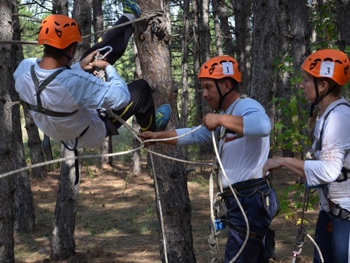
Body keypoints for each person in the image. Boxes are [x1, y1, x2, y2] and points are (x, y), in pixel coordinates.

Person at [140, 55, 279, 263]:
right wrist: (156, 137)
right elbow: (194, 134)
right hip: (241, 201)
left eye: (208, 87)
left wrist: (220, 118)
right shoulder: (228, 115)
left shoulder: (246, 106)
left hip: (250, 201)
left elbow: (263, 126)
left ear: (226, 85)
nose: (204, 94)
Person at [13, 0, 171, 150]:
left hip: (60, 125)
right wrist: (109, 68)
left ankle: (129, 18)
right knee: (141, 89)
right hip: (91, 130)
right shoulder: (75, 83)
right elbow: (120, 97)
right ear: (70, 50)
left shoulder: (24, 69)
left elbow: (54, 80)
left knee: (95, 54)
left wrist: (80, 66)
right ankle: (150, 129)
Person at [263, 49, 350, 263]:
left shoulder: (339, 117)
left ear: (323, 85)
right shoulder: (325, 115)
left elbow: (329, 171)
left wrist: (282, 161)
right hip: (331, 212)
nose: (301, 85)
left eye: (306, 80)